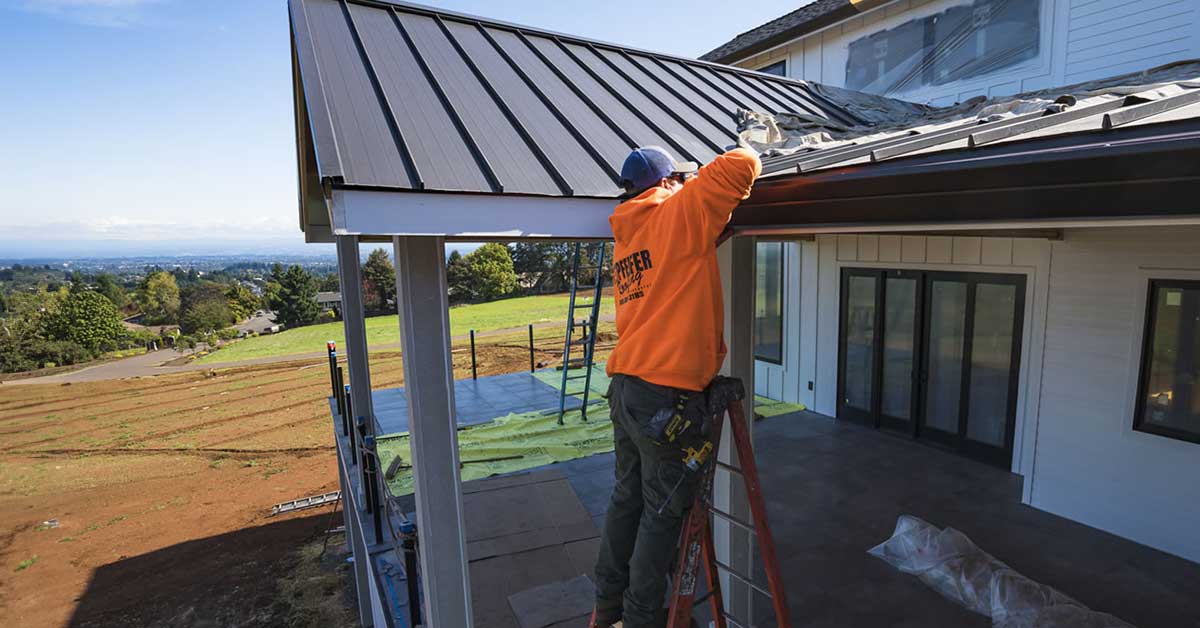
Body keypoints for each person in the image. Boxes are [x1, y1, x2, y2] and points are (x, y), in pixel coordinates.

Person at [591, 144, 761, 628]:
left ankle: (608, 603)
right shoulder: (678, 212)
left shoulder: (628, 237)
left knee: (628, 498)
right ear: (667, 182)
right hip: (665, 393)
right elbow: (743, 162)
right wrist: (689, 186)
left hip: (628, 388)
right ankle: (644, 618)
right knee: (662, 511)